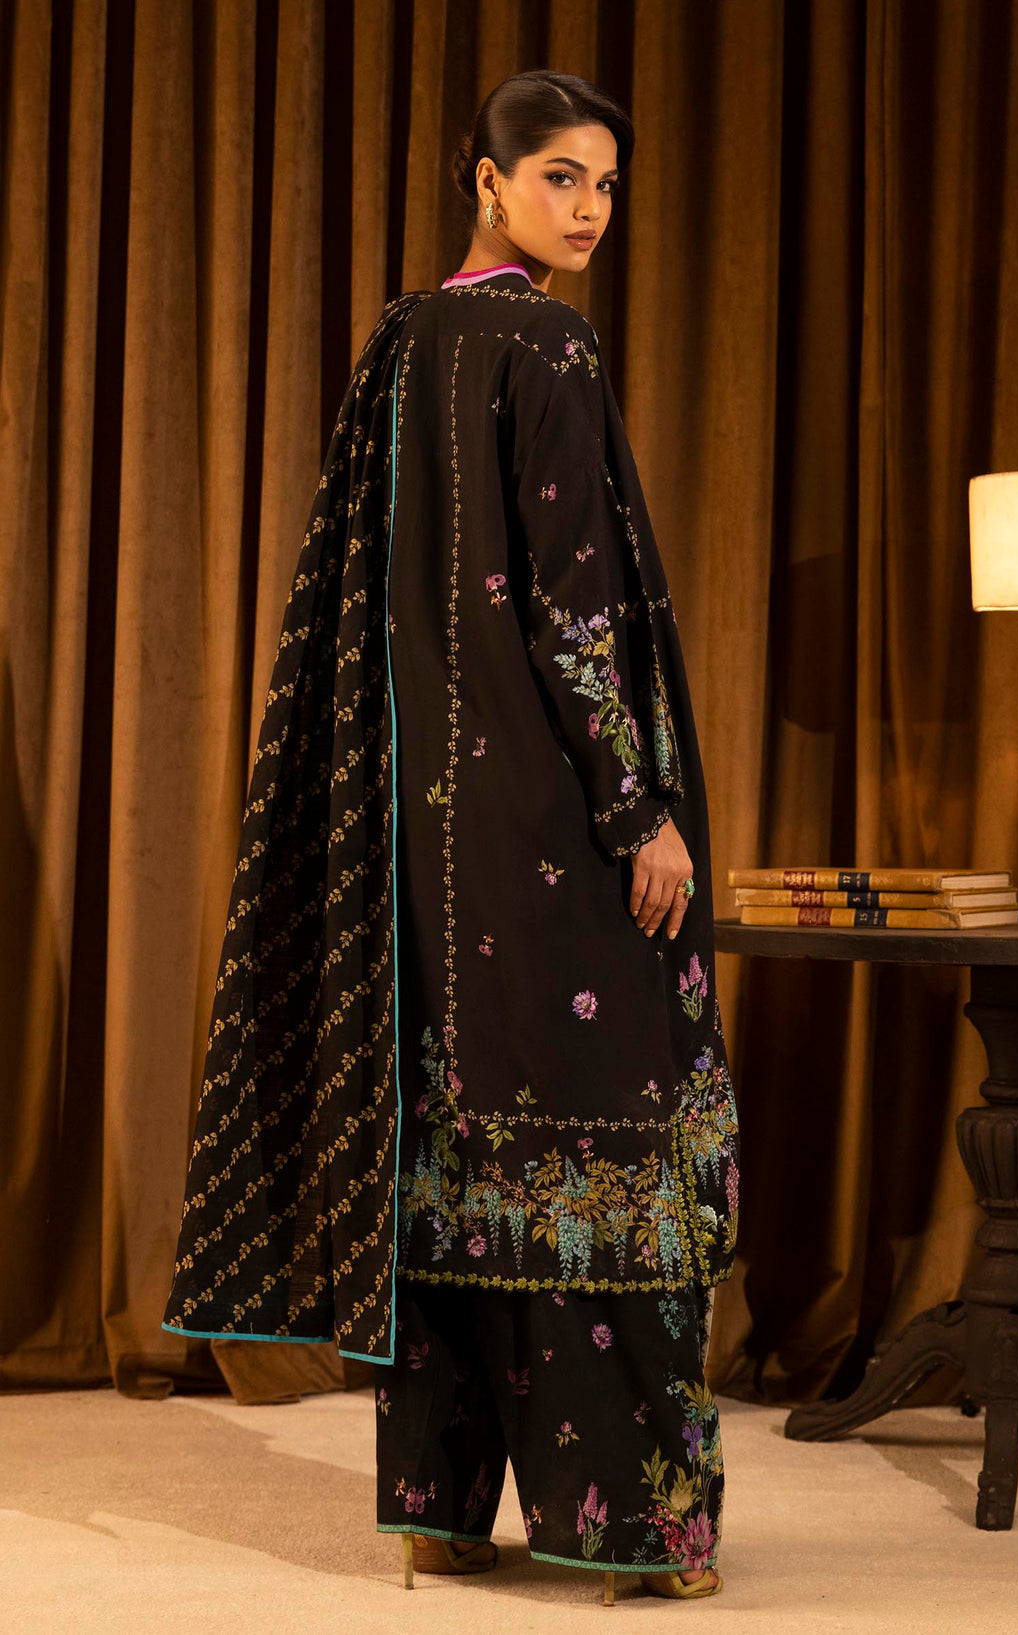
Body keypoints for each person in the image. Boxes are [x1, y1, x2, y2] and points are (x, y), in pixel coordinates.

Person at [161, 69, 739, 1607]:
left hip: (417, 837)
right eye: (557, 177)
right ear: (485, 182)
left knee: (456, 1154)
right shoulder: (545, 341)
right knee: (605, 1155)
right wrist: (637, 807)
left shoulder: (403, 342)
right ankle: (636, 1529)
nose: (588, 210)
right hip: (549, 817)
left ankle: (437, 1511)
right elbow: (572, 600)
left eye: (605, 185)